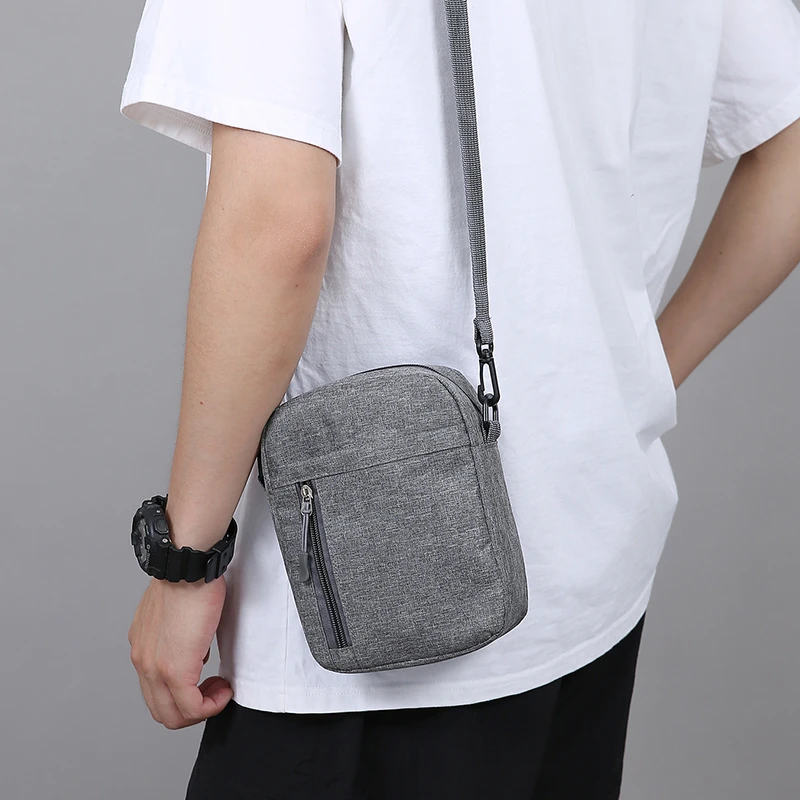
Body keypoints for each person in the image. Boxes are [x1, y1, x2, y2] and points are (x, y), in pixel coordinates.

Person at [120, 0, 800, 797]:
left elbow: (278, 223)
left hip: (373, 601)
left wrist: (187, 559)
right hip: (591, 554)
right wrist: (626, 385)